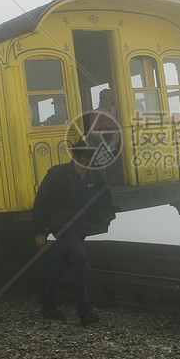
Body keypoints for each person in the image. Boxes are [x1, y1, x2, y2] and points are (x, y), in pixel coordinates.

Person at [32, 139, 115, 325]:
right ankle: (85, 311)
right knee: (80, 260)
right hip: (62, 225)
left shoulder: (94, 176)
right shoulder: (57, 174)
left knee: (61, 263)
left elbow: (104, 196)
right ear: (76, 157)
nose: (89, 160)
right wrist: (39, 232)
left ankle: (48, 305)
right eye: (86, 157)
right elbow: (41, 202)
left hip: (81, 225)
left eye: (91, 156)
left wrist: (99, 217)